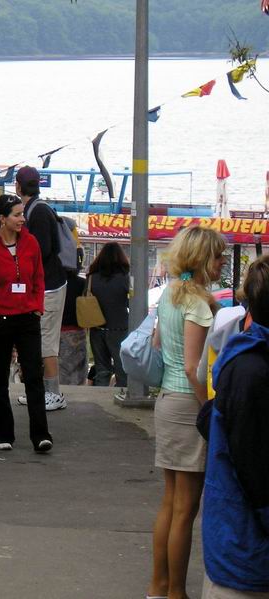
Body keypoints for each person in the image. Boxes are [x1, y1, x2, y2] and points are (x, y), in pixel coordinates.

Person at [146, 225, 226, 599]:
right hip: (187, 405)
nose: (222, 262)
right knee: (186, 509)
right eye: (217, 256)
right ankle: (177, 591)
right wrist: (210, 408)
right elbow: (195, 368)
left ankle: (158, 586)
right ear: (202, 258)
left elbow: (157, 343)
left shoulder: (170, 294)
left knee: (170, 502)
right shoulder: (198, 304)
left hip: (167, 399)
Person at [200, 255, 269, 599]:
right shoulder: (252, 370)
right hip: (245, 553)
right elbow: (254, 468)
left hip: (237, 546)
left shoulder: (246, 358)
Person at [0, 194, 52, 453]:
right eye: (17, 215)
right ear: (2, 219)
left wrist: (37, 307)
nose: (22, 219)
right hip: (0, 320)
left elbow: (39, 278)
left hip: (28, 318)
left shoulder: (31, 243)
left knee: (34, 376)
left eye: (23, 214)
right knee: (0, 377)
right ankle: (3, 434)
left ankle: (40, 435)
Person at [16, 166, 67, 411]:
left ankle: (53, 393)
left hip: (49, 286)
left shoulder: (36, 212)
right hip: (48, 284)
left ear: (18, 186)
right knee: (38, 339)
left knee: (47, 341)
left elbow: (42, 250)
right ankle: (39, 392)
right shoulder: (38, 209)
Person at [86, 241, 130, 389]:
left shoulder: (92, 278)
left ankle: (100, 397)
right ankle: (121, 395)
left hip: (96, 328)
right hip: (120, 329)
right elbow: (132, 303)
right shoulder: (126, 278)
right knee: (122, 369)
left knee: (102, 369)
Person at [58, 270, 88, 386]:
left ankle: (57, 392)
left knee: (59, 369)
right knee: (78, 371)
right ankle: (75, 393)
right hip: (77, 330)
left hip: (55, 329)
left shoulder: (53, 281)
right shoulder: (82, 283)